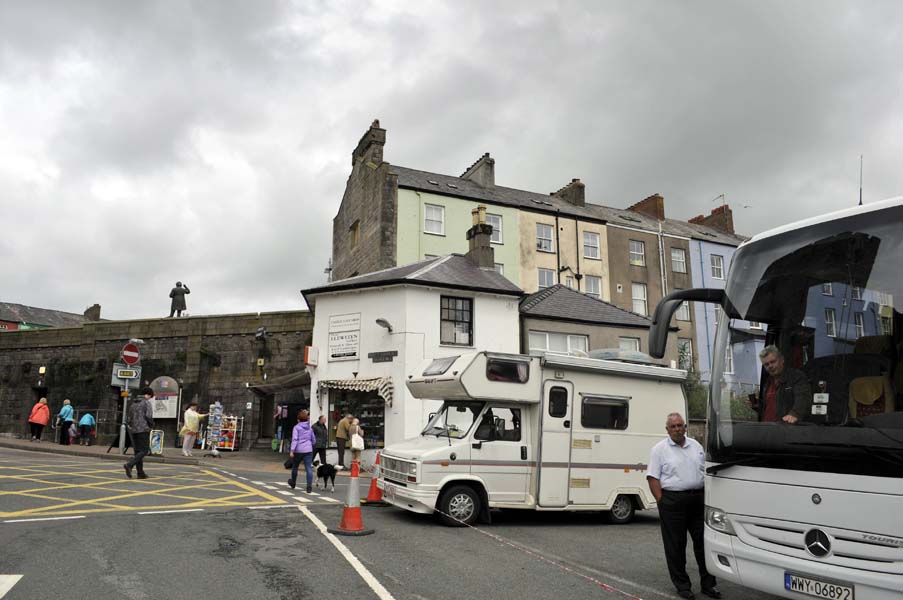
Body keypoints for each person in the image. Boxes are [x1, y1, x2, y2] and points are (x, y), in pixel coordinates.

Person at [647, 413, 720, 600]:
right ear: (667, 430)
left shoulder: (696, 446)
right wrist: (661, 501)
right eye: (673, 426)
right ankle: (683, 586)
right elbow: (652, 477)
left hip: (697, 500)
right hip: (672, 502)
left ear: (685, 427)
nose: (677, 429)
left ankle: (709, 585)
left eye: (680, 425)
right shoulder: (659, 450)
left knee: (704, 544)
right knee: (676, 546)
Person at [752, 345, 811, 423]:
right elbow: (769, 408)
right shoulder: (767, 383)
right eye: (766, 364)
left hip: (784, 430)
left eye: (772, 362)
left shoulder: (796, 377)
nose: (770, 366)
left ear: (782, 360)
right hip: (766, 429)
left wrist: (794, 414)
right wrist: (756, 405)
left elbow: (803, 398)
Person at [124, 388, 155, 480]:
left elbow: (129, 418)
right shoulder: (146, 403)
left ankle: (140, 473)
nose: (149, 398)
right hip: (143, 429)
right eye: (150, 396)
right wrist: (152, 425)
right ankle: (129, 464)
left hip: (134, 430)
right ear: (148, 395)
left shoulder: (133, 404)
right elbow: (148, 416)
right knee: (145, 450)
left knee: (138, 452)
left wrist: (132, 426)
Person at [288, 409, 316, 493]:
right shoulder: (309, 428)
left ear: (299, 419)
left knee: (295, 466)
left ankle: (293, 482)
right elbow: (313, 439)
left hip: (298, 450)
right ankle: (309, 487)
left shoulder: (296, 427)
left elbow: (295, 439)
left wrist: (292, 450)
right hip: (308, 450)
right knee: (308, 468)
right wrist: (310, 445)